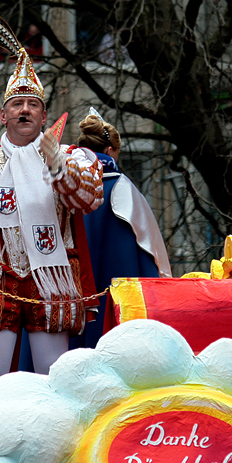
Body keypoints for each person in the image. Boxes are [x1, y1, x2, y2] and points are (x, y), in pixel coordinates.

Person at [0, 51, 103, 398]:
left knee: (52, 376)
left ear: (44, 116)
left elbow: (88, 198)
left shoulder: (68, 155)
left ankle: (56, 443)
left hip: (50, 279)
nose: (24, 110)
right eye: (17, 104)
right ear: (3, 115)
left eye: (32, 104)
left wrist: (58, 165)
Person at [69, 109, 171, 350]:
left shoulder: (63, 186)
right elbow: (151, 250)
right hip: (111, 308)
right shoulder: (122, 187)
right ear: (109, 151)